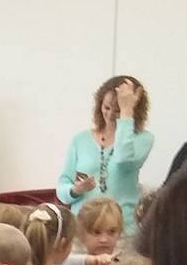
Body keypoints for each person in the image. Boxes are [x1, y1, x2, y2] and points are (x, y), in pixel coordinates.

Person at [56, 75, 154, 230]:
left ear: (134, 111)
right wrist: (75, 190)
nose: (110, 115)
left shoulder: (143, 139)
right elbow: (62, 188)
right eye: (106, 108)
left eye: (118, 111)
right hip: (82, 229)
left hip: (121, 230)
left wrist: (126, 113)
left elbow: (122, 159)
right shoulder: (80, 139)